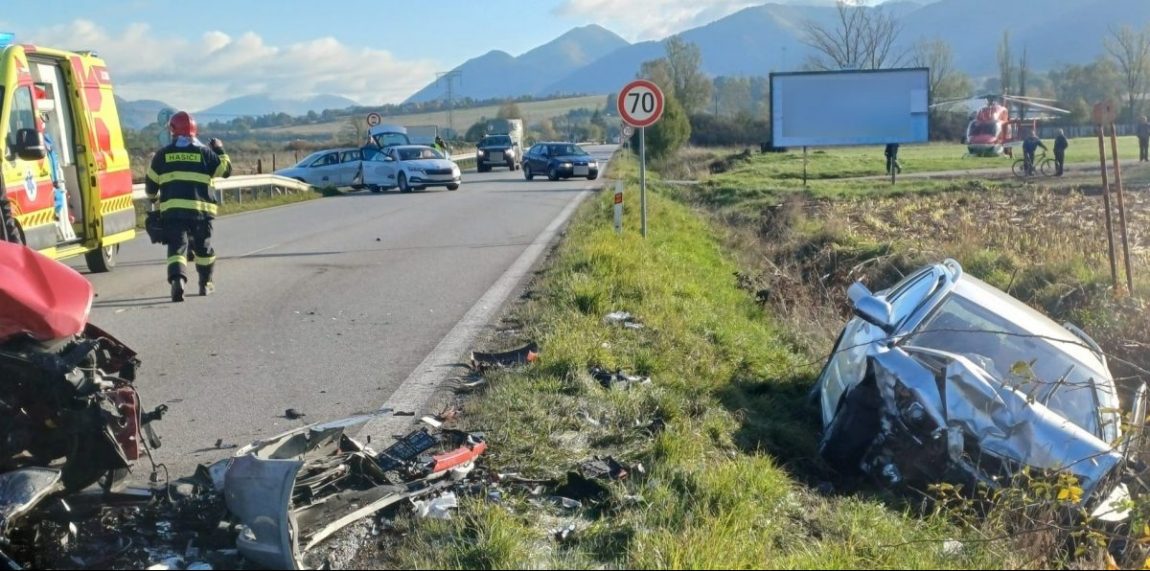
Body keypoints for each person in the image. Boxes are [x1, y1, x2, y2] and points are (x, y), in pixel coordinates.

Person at [144, 111, 231, 302]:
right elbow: (225, 171)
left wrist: (152, 198)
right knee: (203, 250)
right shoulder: (205, 153)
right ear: (194, 130)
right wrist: (220, 150)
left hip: (173, 213)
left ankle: (178, 280)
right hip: (201, 213)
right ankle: (206, 284)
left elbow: (150, 184)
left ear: (172, 130)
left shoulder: (163, 154)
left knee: (177, 248)